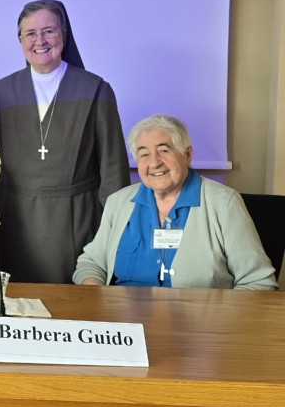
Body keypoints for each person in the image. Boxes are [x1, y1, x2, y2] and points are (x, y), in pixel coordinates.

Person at [0, 0, 130, 284]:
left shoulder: (95, 89)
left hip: (77, 219)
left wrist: (113, 230)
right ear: (20, 40)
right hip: (14, 218)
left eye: (48, 31)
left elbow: (113, 171)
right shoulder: (3, 91)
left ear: (63, 34)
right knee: (14, 299)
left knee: (73, 301)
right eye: (30, 33)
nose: (40, 41)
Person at [73, 115, 277, 290]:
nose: (154, 162)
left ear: (187, 155)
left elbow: (258, 282)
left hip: (199, 319)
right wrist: (97, 295)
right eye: (144, 154)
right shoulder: (118, 202)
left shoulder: (224, 203)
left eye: (164, 150)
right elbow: (91, 263)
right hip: (123, 318)